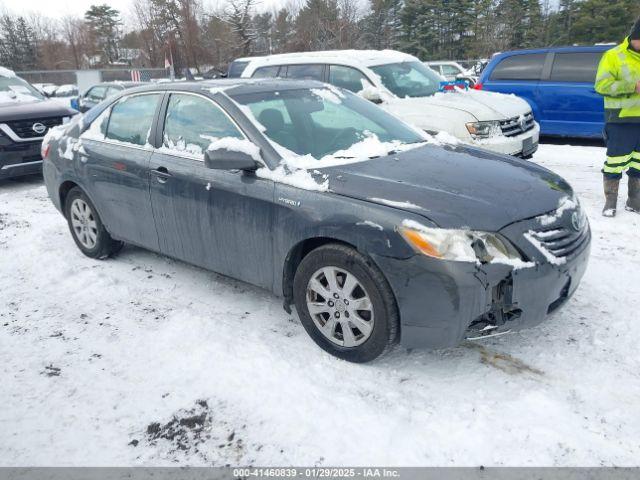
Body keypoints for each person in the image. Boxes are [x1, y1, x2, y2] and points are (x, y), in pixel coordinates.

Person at [594, 18, 640, 217]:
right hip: (621, 120)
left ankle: (634, 200)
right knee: (615, 162)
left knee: (639, 163)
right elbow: (601, 86)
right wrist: (632, 87)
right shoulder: (613, 55)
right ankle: (610, 201)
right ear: (635, 37)